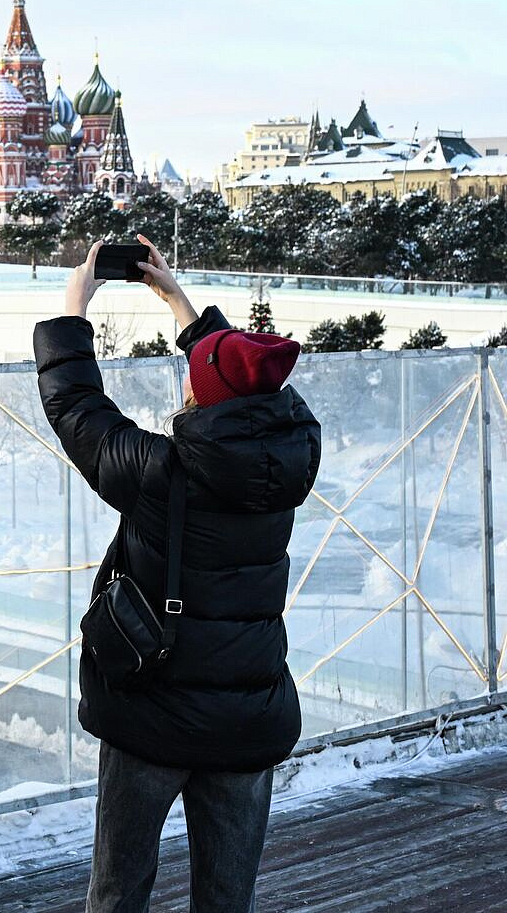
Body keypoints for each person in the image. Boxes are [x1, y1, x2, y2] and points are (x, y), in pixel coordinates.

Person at [37, 237, 320, 913]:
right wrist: (183, 307)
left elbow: (76, 408)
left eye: (194, 375)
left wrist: (73, 310)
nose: (186, 380)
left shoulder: (164, 473)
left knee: (118, 893)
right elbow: (247, 381)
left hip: (153, 714)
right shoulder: (284, 465)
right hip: (248, 718)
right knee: (226, 900)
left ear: (201, 393)